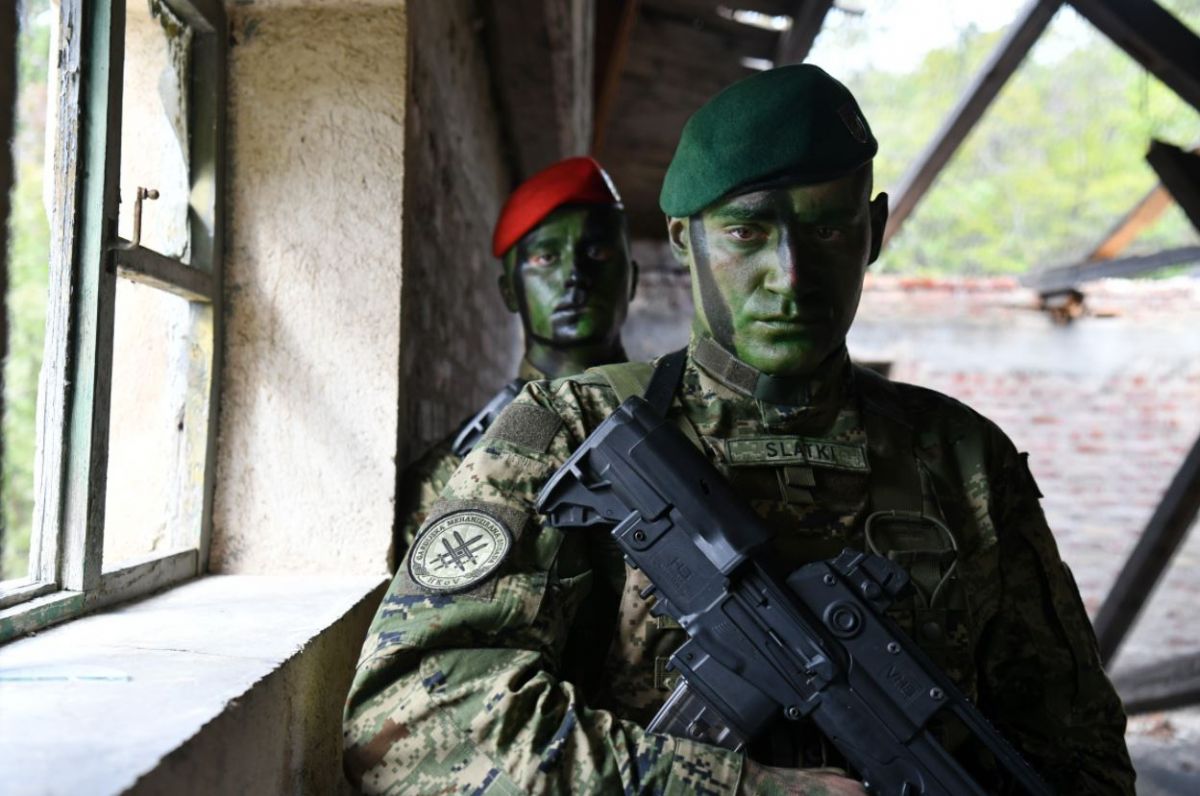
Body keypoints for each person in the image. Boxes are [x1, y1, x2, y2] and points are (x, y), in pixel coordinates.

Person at [347, 66, 1135, 795]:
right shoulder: (567, 429)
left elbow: (1081, 753)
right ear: (682, 238)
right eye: (748, 233)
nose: (790, 278)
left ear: (875, 229)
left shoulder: (965, 460)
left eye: (828, 231)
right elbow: (410, 723)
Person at [390, 156, 637, 568]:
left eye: (598, 251)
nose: (575, 275)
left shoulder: (696, 424)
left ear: (633, 279)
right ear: (509, 292)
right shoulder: (455, 472)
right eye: (545, 258)